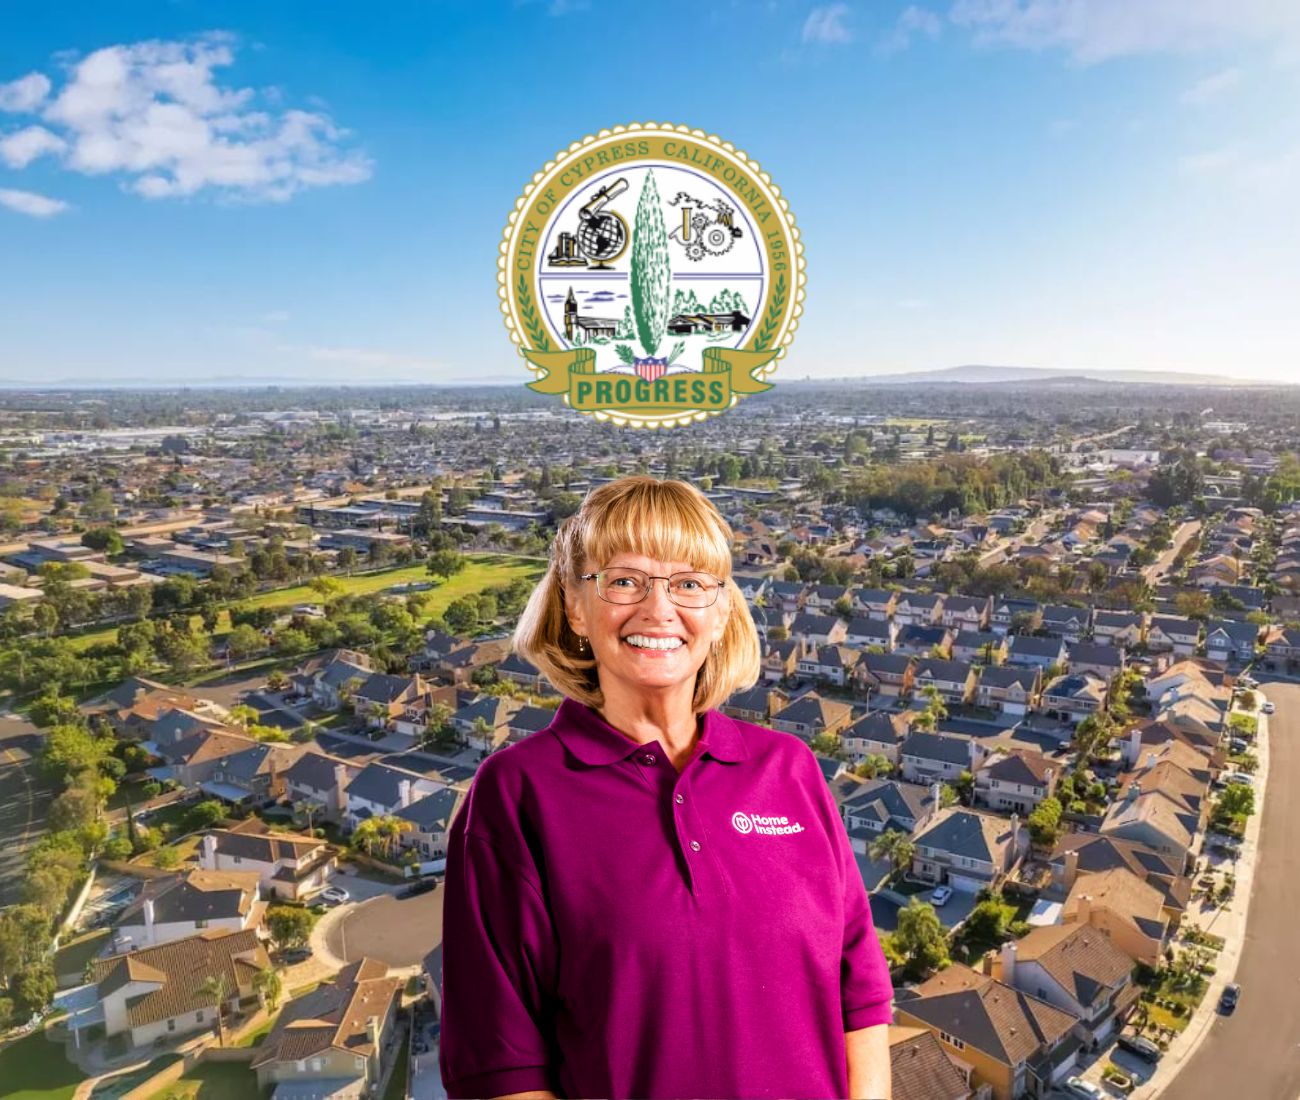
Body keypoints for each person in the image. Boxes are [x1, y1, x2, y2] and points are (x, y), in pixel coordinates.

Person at [438, 476, 893, 1099]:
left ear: (721, 609)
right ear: (575, 605)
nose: (658, 610)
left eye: (688, 584)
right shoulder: (518, 795)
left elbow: (860, 994)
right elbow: (499, 1065)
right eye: (624, 581)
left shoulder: (788, 769)